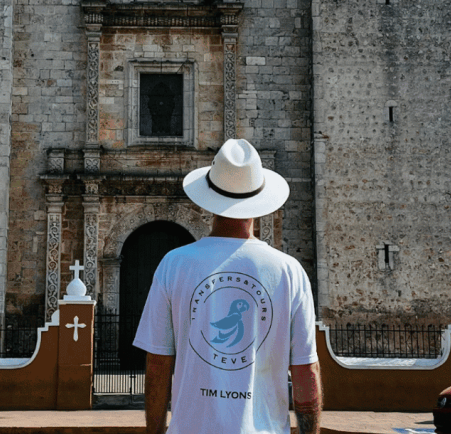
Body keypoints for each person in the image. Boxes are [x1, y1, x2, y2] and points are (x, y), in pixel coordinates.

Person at [133, 138, 322, 434]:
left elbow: (158, 364)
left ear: (209, 197)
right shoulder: (289, 272)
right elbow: (305, 372)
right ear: (259, 200)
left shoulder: (174, 264)